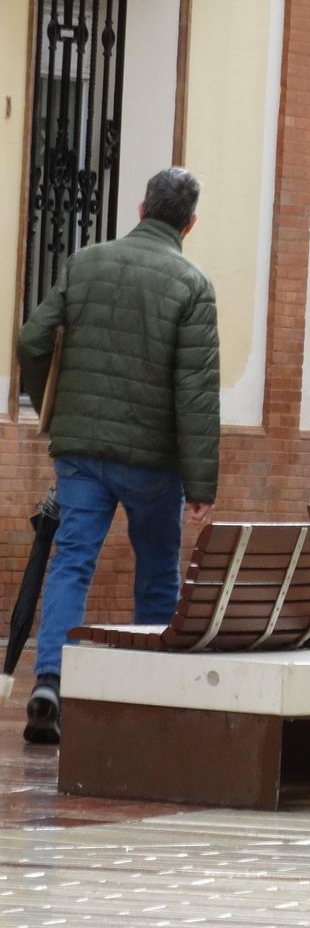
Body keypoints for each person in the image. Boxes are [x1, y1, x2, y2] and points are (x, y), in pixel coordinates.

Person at [16, 167, 220, 746]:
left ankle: (51, 680)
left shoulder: (86, 263)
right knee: (157, 570)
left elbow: (33, 339)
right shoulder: (193, 284)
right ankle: (146, 694)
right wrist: (201, 481)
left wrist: (49, 407)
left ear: (140, 207)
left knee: (72, 561)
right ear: (190, 222)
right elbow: (196, 393)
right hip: (153, 461)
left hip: (81, 453)